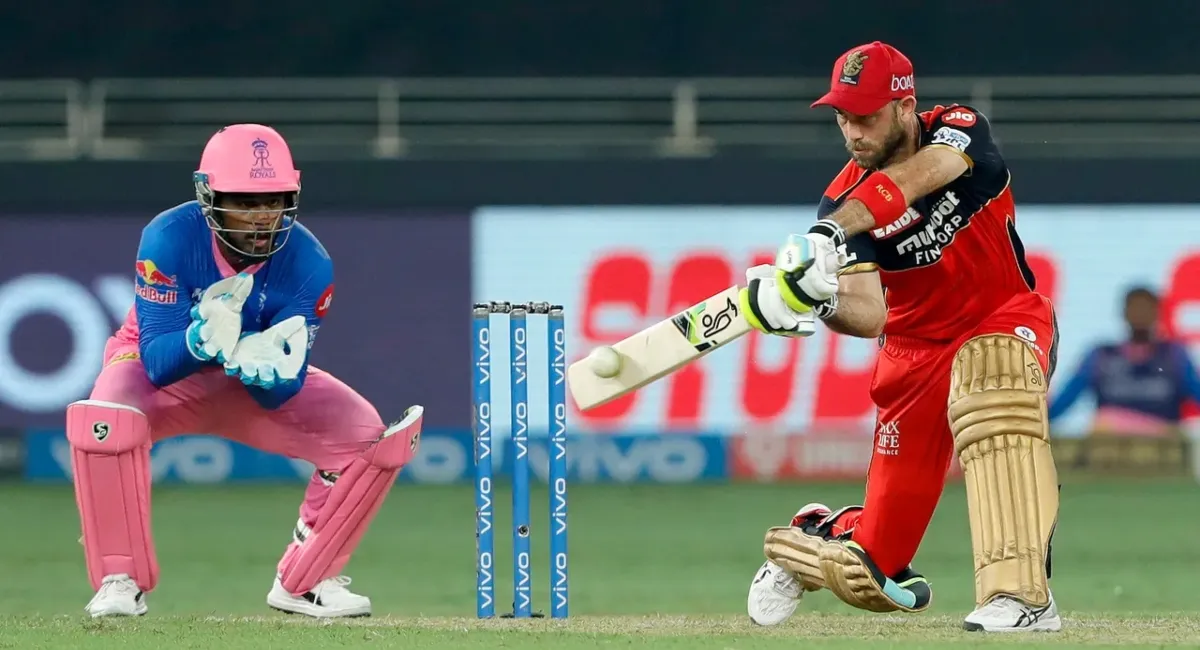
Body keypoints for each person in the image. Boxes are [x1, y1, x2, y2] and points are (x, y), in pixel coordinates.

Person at [738, 41, 1062, 632]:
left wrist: (827, 232)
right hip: (913, 356)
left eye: (865, 116)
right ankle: (811, 539)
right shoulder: (841, 202)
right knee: (873, 570)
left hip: (1004, 315)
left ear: (905, 106)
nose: (852, 132)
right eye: (842, 117)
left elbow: (916, 178)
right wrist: (818, 296)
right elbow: (869, 316)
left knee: (995, 383)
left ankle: (1020, 598)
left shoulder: (959, 129)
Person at [67, 123, 424, 619]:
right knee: (105, 416)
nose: (261, 217)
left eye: (273, 201)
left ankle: (306, 580)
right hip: (165, 375)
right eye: (244, 202)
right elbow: (158, 363)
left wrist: (267, 372)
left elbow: (284, 390)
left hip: (243, 378)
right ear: (209, 197)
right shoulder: (168, 238)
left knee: (365, 438)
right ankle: (119, 580)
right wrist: (198, 340)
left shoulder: (311, 264)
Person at [1050, 286, 1200, 437]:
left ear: (1157, 313)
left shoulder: (1174, 356)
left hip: (1163, 443)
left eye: (1146, 308)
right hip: (1111, 443)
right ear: (1124, 313)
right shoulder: (1101, 357)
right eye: (1135, 308)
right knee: (1103, 424)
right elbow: (1062, 404)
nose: (1140, 314)